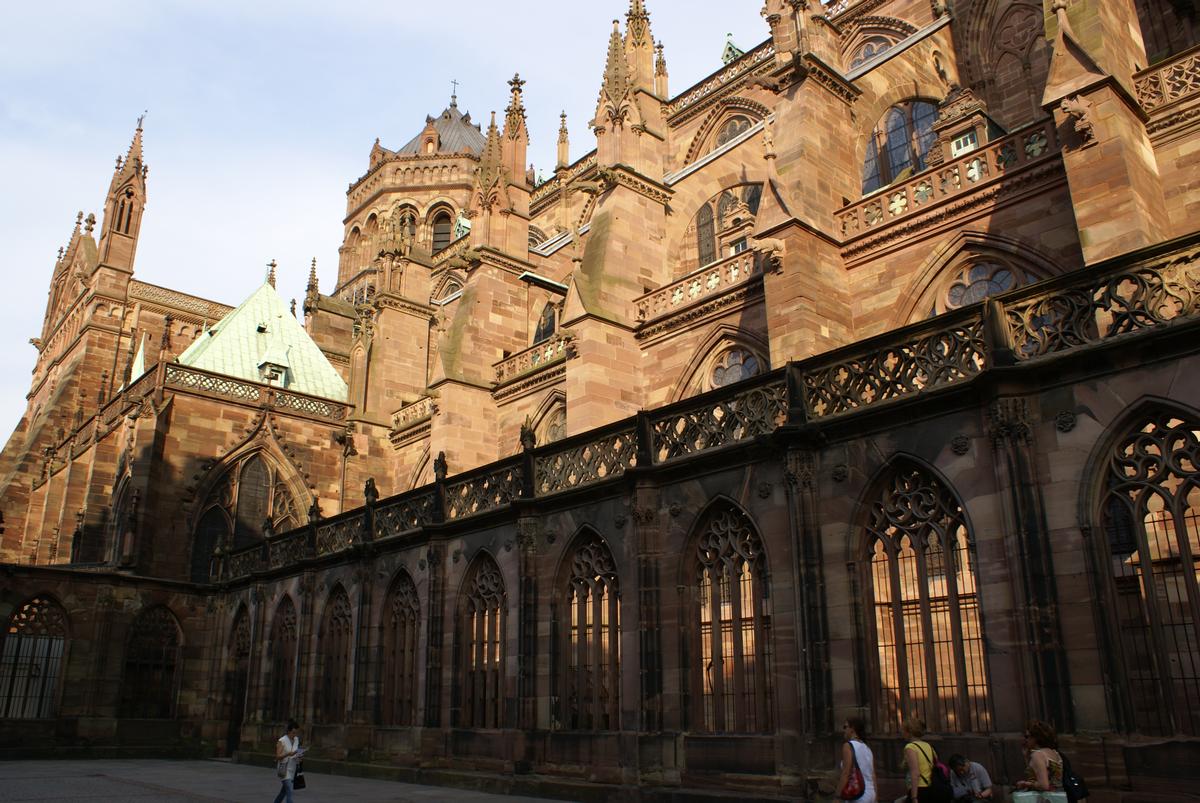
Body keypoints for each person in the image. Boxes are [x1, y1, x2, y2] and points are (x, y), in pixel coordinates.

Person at [1016, 719, 1065, 797]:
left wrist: (1025, 784)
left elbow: (1044, 785)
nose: (1025, 740)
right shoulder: (1054, 753)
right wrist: (1026, 756)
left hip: (1043, 798)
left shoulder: (1038, 755)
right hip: (1058, 797)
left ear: (1036, 738)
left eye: (1027, 736)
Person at [835, 716, 876, 802]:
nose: (844, 730)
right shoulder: (867, 748)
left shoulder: (848, 746)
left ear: (852, 729)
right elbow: (873, 775)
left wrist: (837, 796)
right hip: (871, 793)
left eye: (845, 727)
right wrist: (876, 798)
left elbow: (846, 773)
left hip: (858, 794)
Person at [901, 717, 940, 802]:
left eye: (903, 730)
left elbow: (915, 773)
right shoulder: (928, 746)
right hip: (931, 787)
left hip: (919, 788)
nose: (902, 733)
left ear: (909, 732)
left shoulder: (910, 747)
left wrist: (914, 797)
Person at [273, 720, 303, 803]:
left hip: (293, 769)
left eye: (296, 733)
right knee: (289, 790)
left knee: (284, 791)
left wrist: (299, 757)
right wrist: (288, 754)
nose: (294, 735)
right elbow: (278, 756)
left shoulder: (296, 739)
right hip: (284, 769)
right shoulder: (282, 741)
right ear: (288, 731)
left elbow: (296, 752)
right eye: (293, 733)